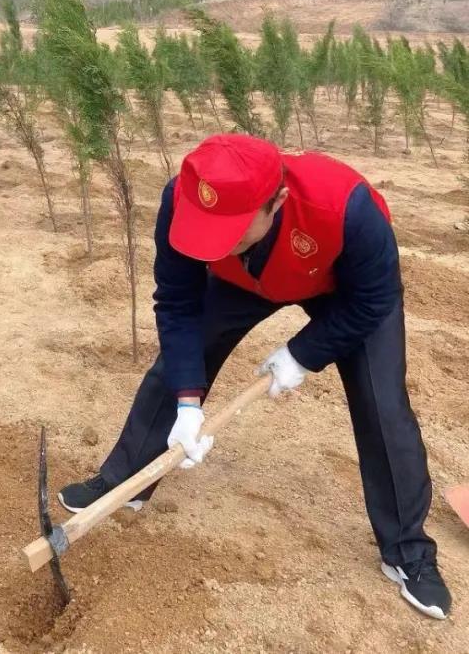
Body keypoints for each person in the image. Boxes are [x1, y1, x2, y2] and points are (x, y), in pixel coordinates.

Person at [58, 134, 451, 620]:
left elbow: (373, 301)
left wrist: (303, 353)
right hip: (244, 279)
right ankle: (126, 480)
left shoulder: (347, 209)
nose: (209, 242)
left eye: (229, 230)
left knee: (384, 406)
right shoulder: (179, 201)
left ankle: (408, 551)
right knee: (182, 358)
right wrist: (187, 401)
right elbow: (177, 304)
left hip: (342, 289)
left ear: (277, 204)